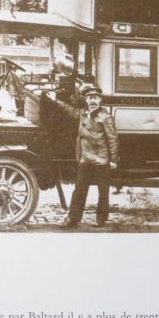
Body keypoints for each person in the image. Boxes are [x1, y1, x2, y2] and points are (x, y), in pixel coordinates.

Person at [64, 84, 119, 228]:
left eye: (95, 97)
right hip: (86, 159)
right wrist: (53, 100)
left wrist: (113, 160)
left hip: (101, 160)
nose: (92, 100)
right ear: (86, 100)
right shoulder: (82, 113)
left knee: (103, 191)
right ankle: (73, 218)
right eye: (90, 98)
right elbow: (68, 110)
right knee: (79, 190)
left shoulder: (106, 117)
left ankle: (101, 218)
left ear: (100, 99)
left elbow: (112, 139)